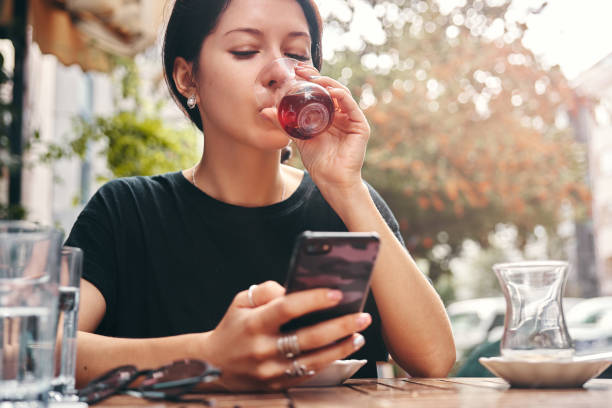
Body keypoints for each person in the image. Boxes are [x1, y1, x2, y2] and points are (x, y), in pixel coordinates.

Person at [68, 0, 456, 392]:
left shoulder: (346, 206)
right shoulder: (127, 211)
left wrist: (345, 186)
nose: (279, 73)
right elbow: (39, 346)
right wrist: (208, 357)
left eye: (296, 54)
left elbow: (434, 361)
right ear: (187, 77)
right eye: (245, 51)